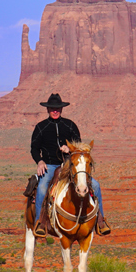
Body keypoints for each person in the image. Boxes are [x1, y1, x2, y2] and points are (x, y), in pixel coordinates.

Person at [30, 93, 109, 237]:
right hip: (50, 165)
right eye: (52, 108)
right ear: (48, 109)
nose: (55, 111)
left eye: (58, 108)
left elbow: (78, 146)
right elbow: (34, 148)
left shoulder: (70, 125)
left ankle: (101, 221)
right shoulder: (41, 127)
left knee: (96, 185)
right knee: (42, 188)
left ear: (62, 109)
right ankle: (39, 222)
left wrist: (69, 148)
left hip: (69, 164)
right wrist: (40, 161)